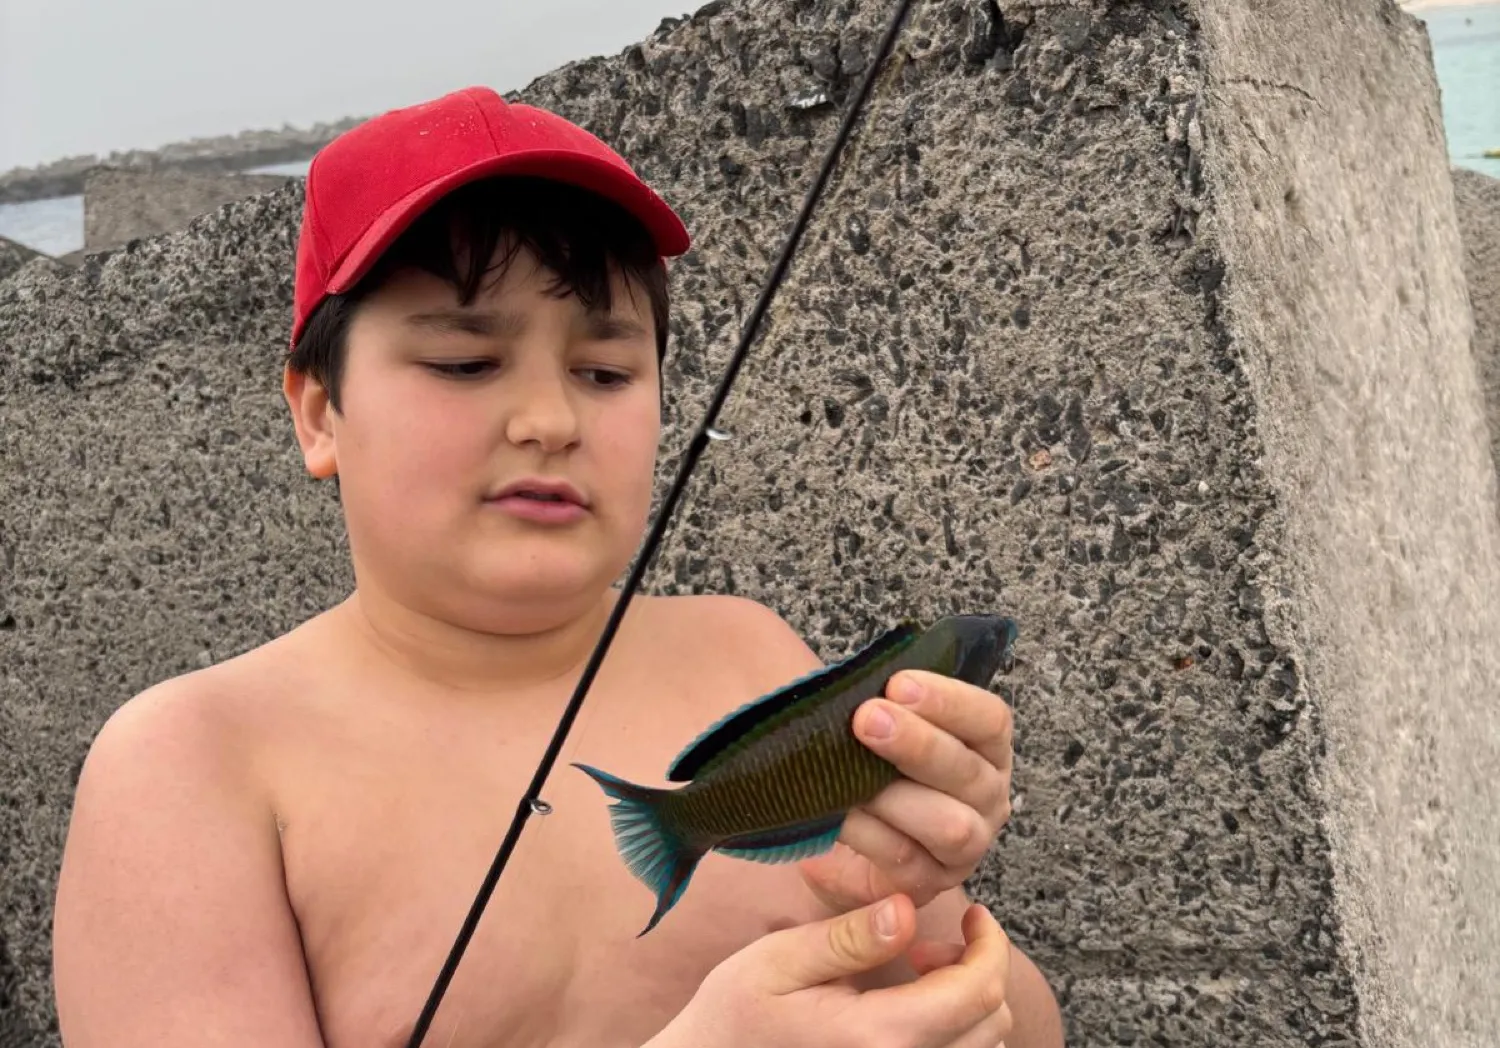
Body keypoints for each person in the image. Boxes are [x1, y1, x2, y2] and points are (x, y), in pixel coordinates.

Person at [51, 86, 1065, 1048]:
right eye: (463, 363)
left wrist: (929, 897)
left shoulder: (750, 652)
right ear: (320, 412)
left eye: (605, 372)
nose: (548, 421)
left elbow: (1015, 1020)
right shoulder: (192, 766)